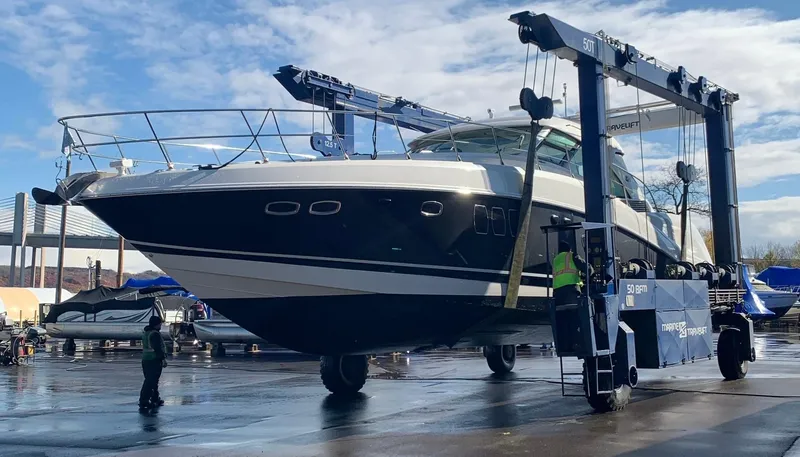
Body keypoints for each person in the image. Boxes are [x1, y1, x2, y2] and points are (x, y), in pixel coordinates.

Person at [139, 315, 167, 413]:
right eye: (160, 323)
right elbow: (157, 348)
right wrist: (163, 359)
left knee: (152, 381)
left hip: (145, 360)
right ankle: (144, 400)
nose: (161, 325)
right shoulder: (155, 334)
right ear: (157, 324)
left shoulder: (146, 333)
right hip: (154, 360)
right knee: (150, 381)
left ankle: (155, 398)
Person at [552, 240, 592, 307]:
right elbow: (587, 268)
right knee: (575, 312)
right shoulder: (572, 255)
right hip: (571, 290)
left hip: (557, 292)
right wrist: (590, 273)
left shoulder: (555, 259)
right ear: (569, 250)